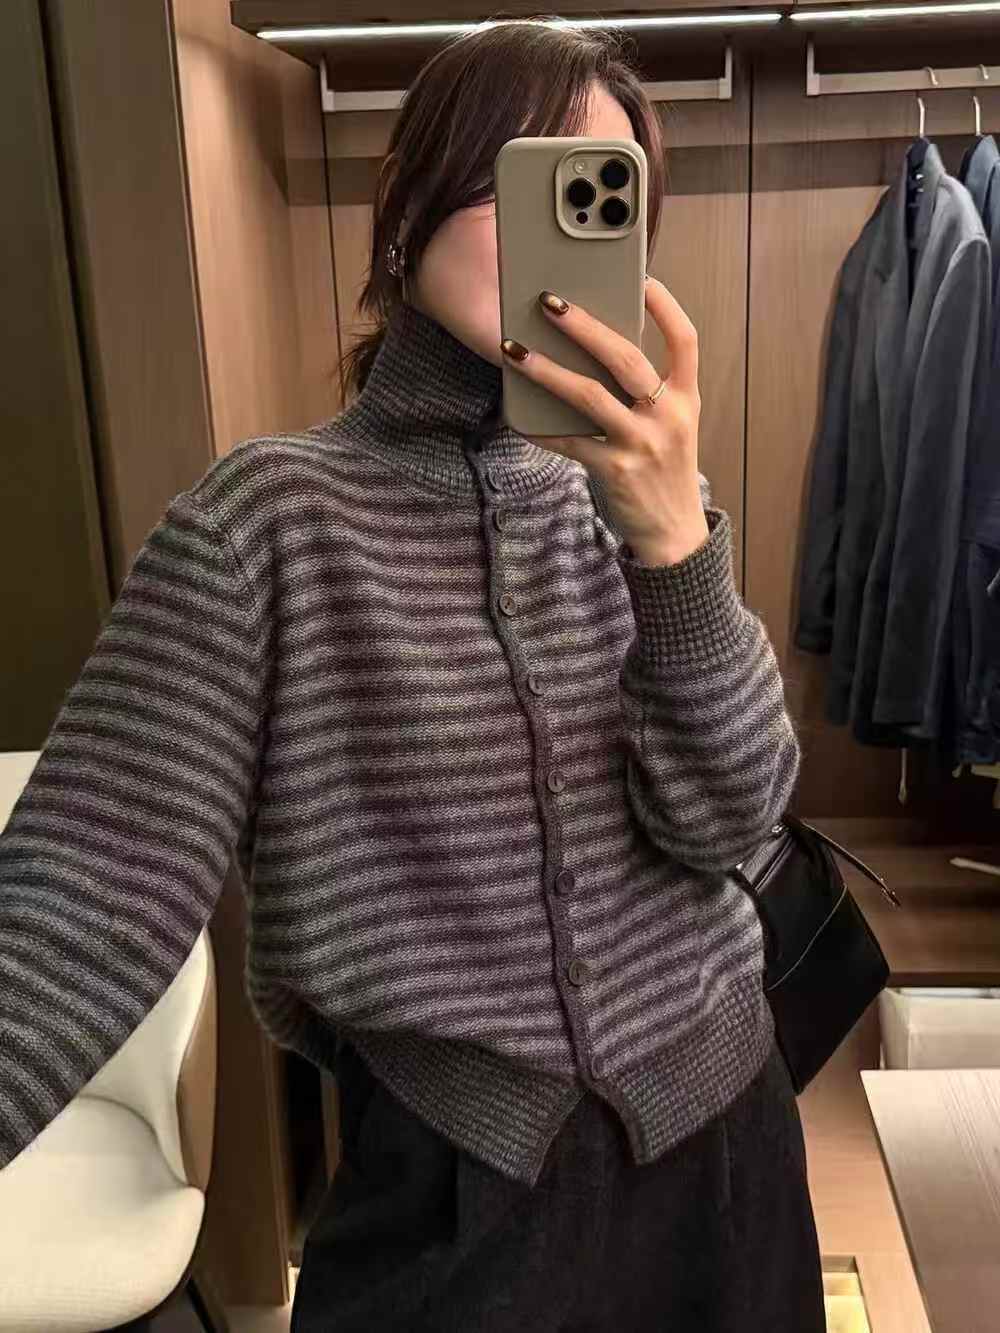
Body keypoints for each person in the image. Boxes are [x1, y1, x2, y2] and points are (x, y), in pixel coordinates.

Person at [0, 18, 825, 1333]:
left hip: (729, 1154)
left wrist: (676, 547)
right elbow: (82, 898)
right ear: (410, 206)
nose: (554, 229)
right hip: (451, 1190)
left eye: (597, 196)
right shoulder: (265, 525)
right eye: (515, 177)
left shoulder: (633, 506)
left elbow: (730, 821)